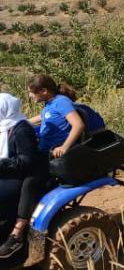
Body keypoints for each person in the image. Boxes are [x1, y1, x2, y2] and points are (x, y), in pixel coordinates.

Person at [0, 75, 90, 260]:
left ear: (44, 91)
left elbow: (78, 124)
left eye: (32, 93)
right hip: (42, 153)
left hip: (50, 157)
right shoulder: (50, 104)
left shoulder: (62, 102)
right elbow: (42, 118)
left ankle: (17, 233)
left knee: (30, 183)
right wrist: (21, 122)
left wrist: (64, 147)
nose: (30, 96)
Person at [0, 93, 47, 260]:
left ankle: (16, 237)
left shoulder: (21, 130)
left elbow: (26, 161)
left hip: (19, 176)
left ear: (6, 109)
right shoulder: (3, 127)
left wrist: (2, 164)